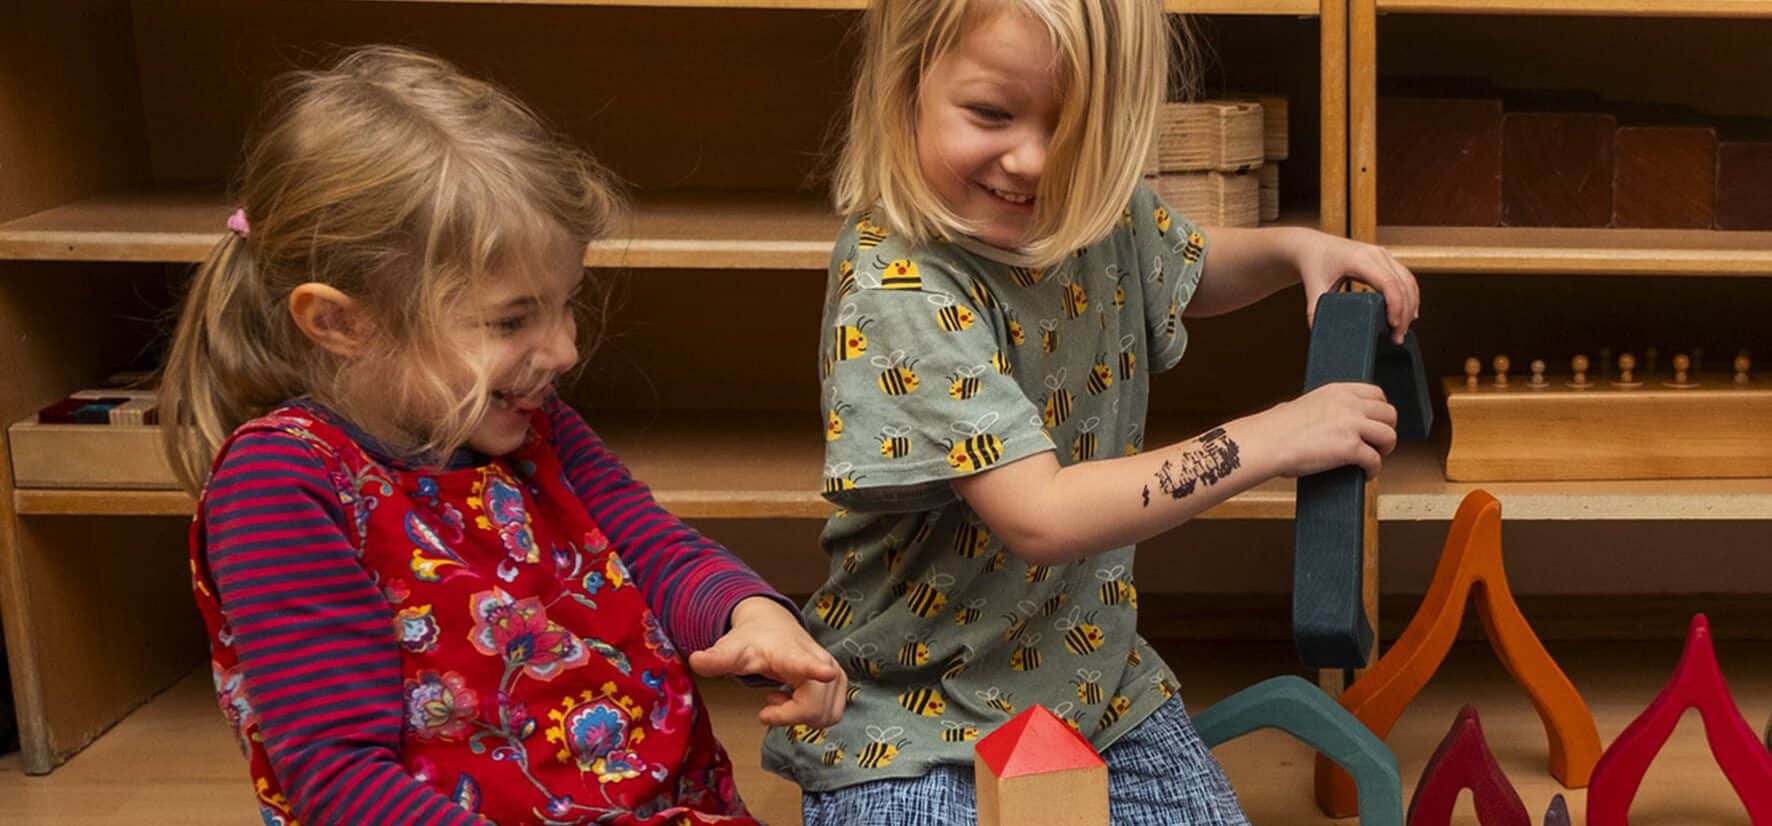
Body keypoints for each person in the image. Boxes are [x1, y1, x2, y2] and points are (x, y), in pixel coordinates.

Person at [764, 2, 1420, 823]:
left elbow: (1184, 264)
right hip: (903, 717)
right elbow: (1039, 515)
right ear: (907, 82)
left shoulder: (1090, 202)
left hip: (1093, 685)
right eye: (991, 114)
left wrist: (1297, 249)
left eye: (1079, 130)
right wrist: (1273, 437)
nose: (1034, 162)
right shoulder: (898, 283)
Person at [160, 45, 844, 826]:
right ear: (342, 322)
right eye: (512, 321)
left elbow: (654, 550)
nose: (565, 350)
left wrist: (749, 616)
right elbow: (340, 780)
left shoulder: (528, 428)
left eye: (566, 303)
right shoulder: (279, 485)